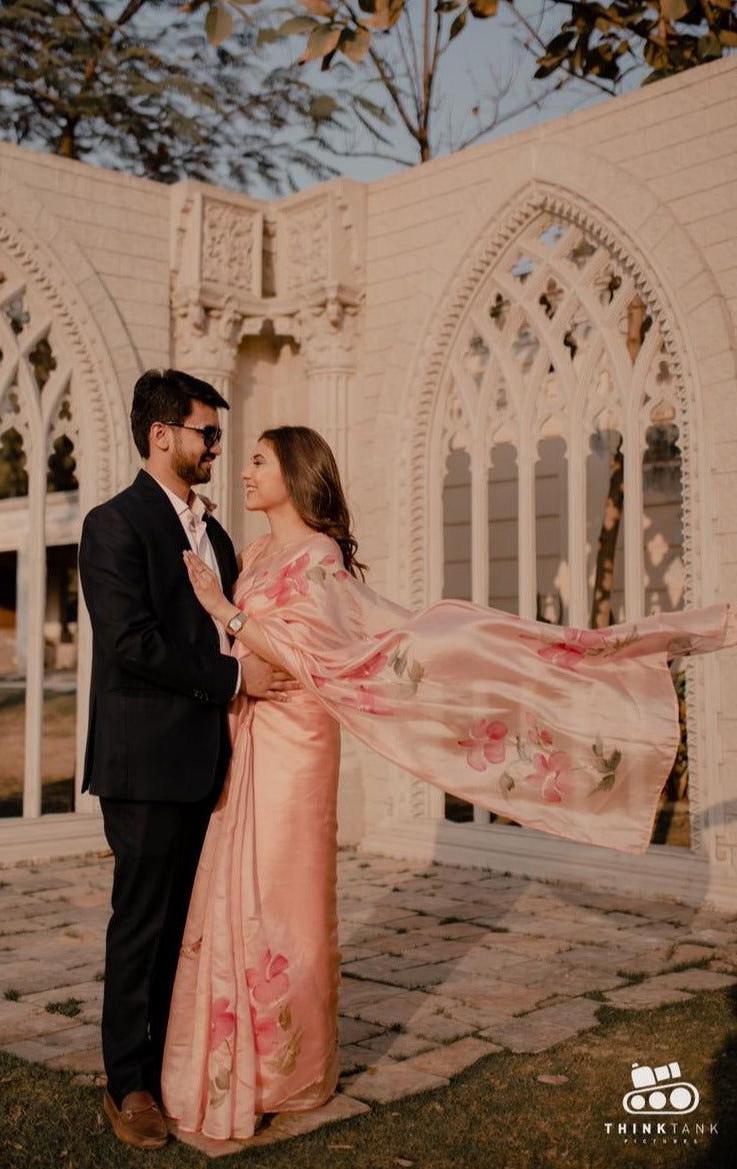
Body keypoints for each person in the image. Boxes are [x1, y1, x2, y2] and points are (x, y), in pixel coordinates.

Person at [160, 424, 736, 1141]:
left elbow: (307, 657)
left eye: (258, 461)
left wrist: (226, 610)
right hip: (249, 733)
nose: (244, 471)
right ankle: (230, 1054)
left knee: (283, 901)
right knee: (235, 892)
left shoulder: (318, 556)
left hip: (298, 740)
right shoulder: (255, 553)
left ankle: (286, 1070)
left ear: (295, 474)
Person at [78, 370, 295, 1150]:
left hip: (210, 761)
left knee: (189, 930)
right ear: (162, 434)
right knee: (140, 925)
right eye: (207, 432)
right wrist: (236, 677)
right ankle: (127, 1082)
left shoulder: (221, 534)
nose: (216, 447)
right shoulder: (113, 525)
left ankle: (175, 1067)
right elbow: (132, 643)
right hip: (141, 764)